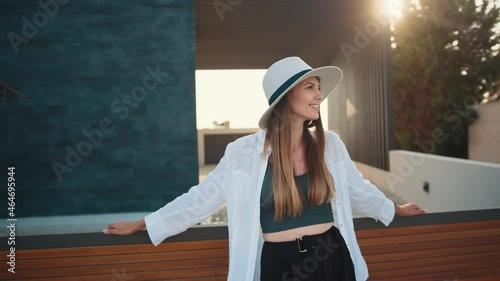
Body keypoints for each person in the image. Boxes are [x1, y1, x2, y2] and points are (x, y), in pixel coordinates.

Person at [103, 56, 427, 281]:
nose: (319, 95)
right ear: (286, 98)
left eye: (318, 88)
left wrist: (394, 208)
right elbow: (199, 199)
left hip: (332, 257)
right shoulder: (242, 153)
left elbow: (359, 190)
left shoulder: (331, 145)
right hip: (280, 264)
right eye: (311, 87)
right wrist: (144, 223)